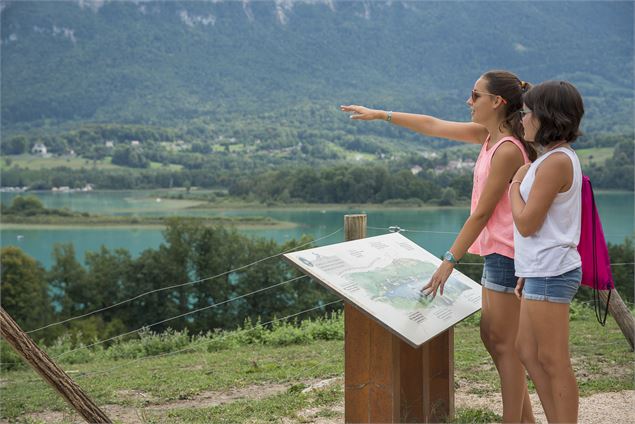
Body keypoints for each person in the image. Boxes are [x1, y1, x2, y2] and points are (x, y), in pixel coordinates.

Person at [341, 70, 536, 423]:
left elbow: (480, 215)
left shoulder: (507, 149)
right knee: (495, 340)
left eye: (475, 95)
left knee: (504, 346)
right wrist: (380, 114)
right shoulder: (488, 137)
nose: (468, 101)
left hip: (509, 256)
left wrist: (449, 259)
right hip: (498, 254)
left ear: (497, 102)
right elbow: (432, 125)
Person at [511, 80, 585, 422]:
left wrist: (514, 184)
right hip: (539, 270)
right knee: (526, 350)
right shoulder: (550, 160)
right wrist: (526, 270)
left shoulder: (555, 162)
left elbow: (527, 224)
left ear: (546, 116)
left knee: (554, 360)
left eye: (526, 113)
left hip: (552, 271)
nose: (522, 119)